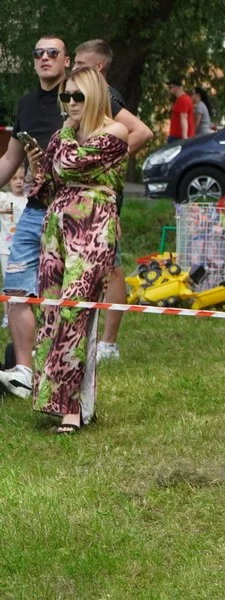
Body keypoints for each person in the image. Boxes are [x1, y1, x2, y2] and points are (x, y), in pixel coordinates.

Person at [25, 66, 128, 432]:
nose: (69, 103)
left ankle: (73, 410)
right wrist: (38, 168)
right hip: (57, 227)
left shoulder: (114, 132)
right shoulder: (61, 135)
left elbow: (69, 162)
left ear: (94, 96)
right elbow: (48, 186)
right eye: (65, 97)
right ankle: (61, 402)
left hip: (94, 226)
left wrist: (60, 145)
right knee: (51, 311)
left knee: (76, 311)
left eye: (77, 96)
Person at [0, 36, 74, 399]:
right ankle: (24, 372)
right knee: (15, 287)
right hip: (34, 210)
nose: (44, 58)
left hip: (73, 211)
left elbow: (132, 134)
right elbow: (9, 162)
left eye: (52, 53)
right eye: (38, 54)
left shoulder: (80, 96)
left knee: (61, 295)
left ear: (67, 60)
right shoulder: (27, 103)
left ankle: (60, 372)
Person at [73, 39, 155, 362]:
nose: (73, 67)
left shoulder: (106, 95)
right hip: (81, 196)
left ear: (97, 67)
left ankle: (109, 343)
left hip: (103, 196)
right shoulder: (85, 95)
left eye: (79, 63)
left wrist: (107, 161)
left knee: (113, 267)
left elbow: (143, 132)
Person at [0, 167, 26, 329]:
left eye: (21, 178)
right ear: (9, 180)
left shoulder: (29, 200)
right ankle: (7, 317)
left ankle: (22, 315)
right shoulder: (3, 198)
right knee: (7, 284)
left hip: (24, 250)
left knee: (23, 285)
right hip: (5, 249)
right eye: (14, 178)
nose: (18, 181)